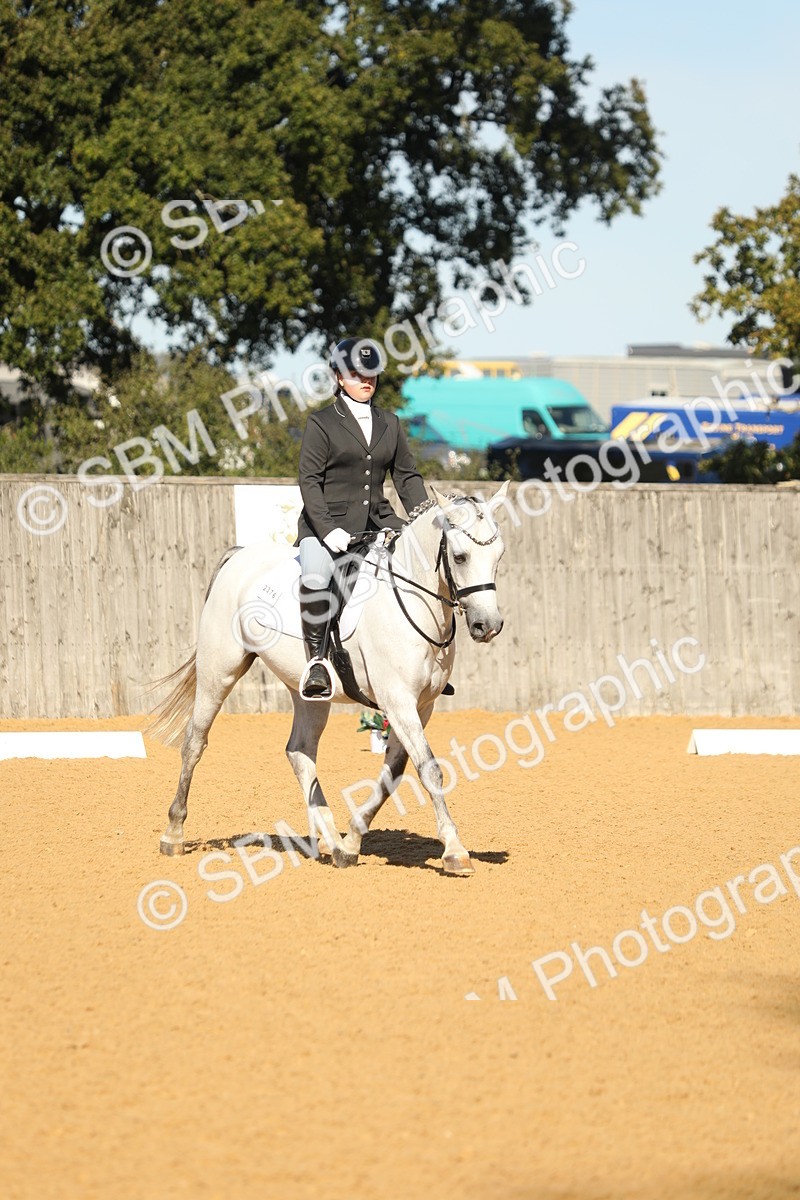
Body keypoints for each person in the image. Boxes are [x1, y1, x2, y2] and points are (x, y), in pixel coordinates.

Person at [295, 336, 428, 700]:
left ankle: (421, 663)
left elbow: (407, 477)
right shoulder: (321, 423)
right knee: (317, 571)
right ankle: (317, 663)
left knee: (422, 566)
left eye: (371, 374)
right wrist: (327, 530)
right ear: (339, 377)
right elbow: (309, 481)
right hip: (326, 525)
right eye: (356, 374)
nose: (365, 380)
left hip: (379, 521)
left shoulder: (391, 422)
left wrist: (422, 521)